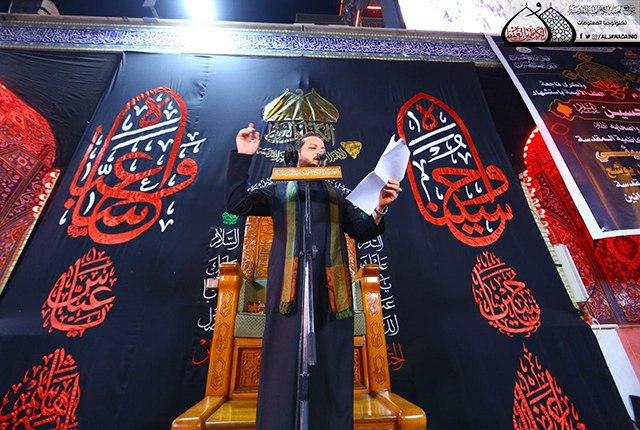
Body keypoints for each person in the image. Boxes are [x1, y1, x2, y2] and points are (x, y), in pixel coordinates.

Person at [225, 122, 400, 429]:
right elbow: (236, 203)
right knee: (285, 363)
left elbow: (362, 230)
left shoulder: (337, 194)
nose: (320, 151)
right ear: (295, 154)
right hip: (288, 293)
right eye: (313, 146)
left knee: (329, 364)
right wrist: (243, 156)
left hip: (330, 295)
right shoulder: (278, 189)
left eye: (322, 148)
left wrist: (380, 209)